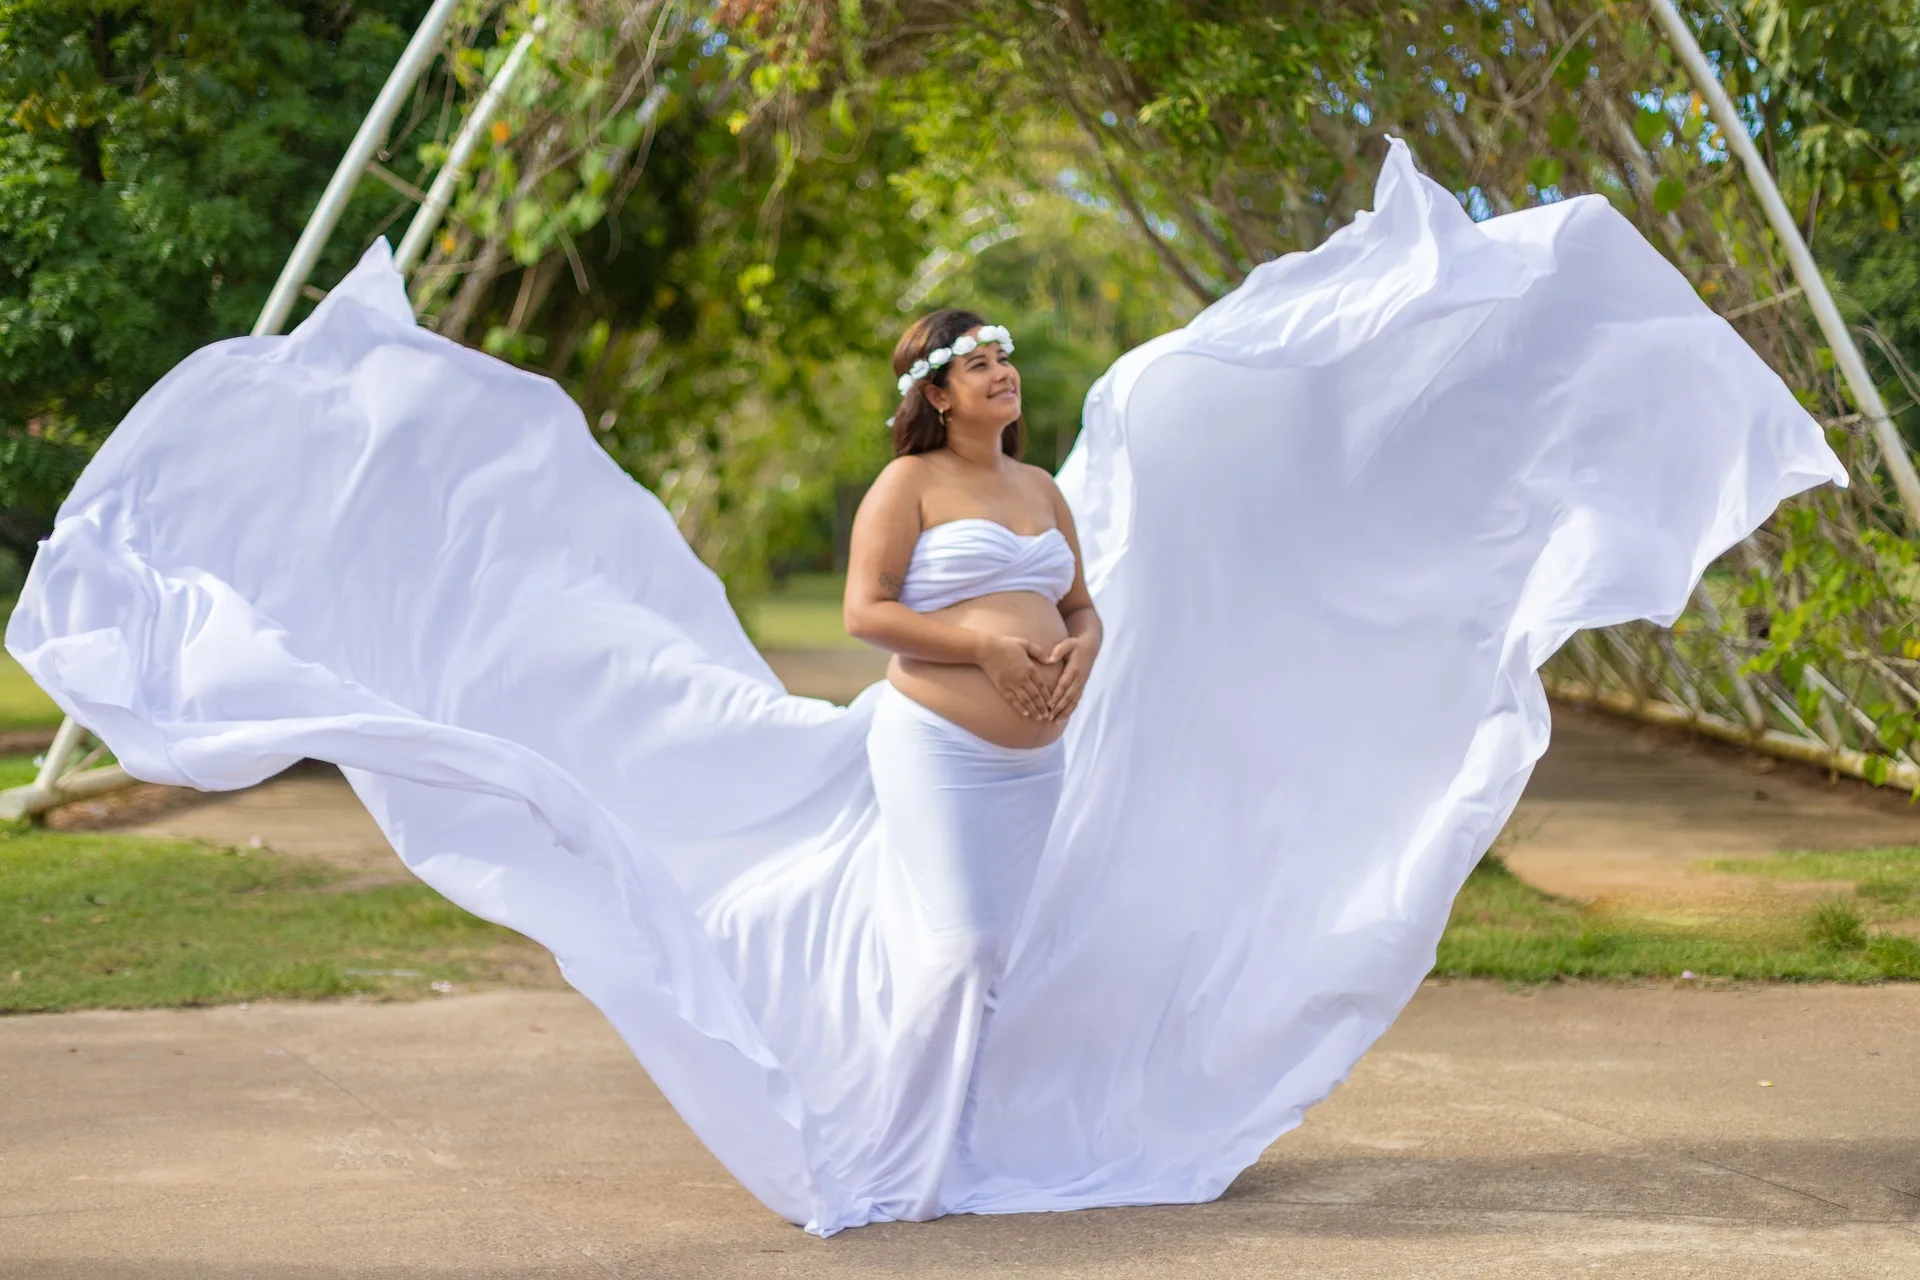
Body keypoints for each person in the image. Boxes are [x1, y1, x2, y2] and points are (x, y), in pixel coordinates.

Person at [7, 139, 1845, 1236]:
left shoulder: (1045, 494)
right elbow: (879, 621)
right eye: (985, 366)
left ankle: (961, 1156)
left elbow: (1095, 597)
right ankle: (868, 1159)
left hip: (1032, 757)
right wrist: (981, 649)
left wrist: (1072, 659)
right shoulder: (907, 492)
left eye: (1014, 369)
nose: (1009, 384)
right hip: (933, 753)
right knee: (958, 947)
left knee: (1009, 950)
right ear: (937, 387)